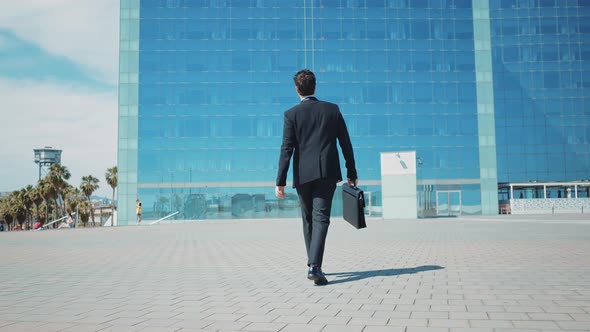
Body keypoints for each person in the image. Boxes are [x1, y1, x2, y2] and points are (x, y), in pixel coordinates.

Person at [275, 69, 358, 286]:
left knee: (308, 219)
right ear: (315, 86)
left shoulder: (291, 114)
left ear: (297, 89)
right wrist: (352, 172)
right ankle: (314, 266)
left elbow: (287, 149)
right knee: (321, 218)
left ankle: (313, 264)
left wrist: (280, 181)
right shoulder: (332, 110)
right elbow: (345, 143)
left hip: (302, 174)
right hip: (327, 172)